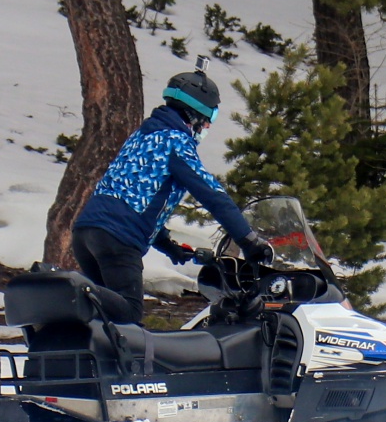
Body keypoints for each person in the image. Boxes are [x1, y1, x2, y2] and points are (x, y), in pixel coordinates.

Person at [71, 70, 273, 323]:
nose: (208, 126)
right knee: (129, 314)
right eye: (209, 117)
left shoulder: (143, 135)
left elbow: (135, 198)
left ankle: (80, 331)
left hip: (86, 233)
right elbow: (212, 195)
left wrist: (168, 246)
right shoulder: (175, 142)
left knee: (104, 321)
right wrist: (249, 241)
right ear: (194, 115)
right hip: (118, 239)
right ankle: (72, 291)